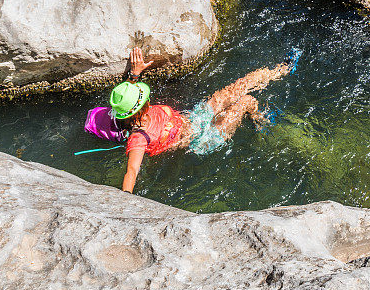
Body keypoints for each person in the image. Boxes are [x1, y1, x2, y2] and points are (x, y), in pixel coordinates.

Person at [109, 47, 298, 193]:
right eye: (143, 97)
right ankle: (260, 122)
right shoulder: (138, 139)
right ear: (141, 107)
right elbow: (132, 171)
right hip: (202, 140)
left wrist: (134, 74)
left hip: (196, 117)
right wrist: (126, 197)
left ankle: (283, 69)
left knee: (240, 85)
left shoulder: (135, 109)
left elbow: (127, 98)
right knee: (247, 102)